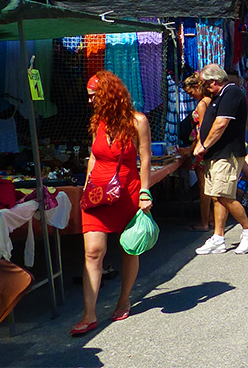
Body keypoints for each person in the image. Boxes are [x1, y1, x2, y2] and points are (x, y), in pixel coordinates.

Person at [70, 71, 154, 336]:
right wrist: (86, 188)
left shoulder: (138, 121)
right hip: (97, 194)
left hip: (127, 191)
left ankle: (124, 299)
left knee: (130, 247)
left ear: (108, 95)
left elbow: (145, 158)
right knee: (92, 251)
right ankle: (89, 314)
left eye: (94, 96)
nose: (90, 101)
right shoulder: (99, 121)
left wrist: (145, 192)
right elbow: (94, 157)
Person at [192, 64, 248, 255]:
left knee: (224, 195)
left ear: (214, 81)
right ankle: (218, 237)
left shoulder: (231, 93)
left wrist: (204, 145)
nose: (203, 87)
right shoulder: (219, 95)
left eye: (205, 83)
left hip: (226, 154)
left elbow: (221, 124)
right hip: (217, 154)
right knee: (217, 196)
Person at [184, 74, 213, 232]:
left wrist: (192, 149)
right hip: (207, 147)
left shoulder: (202, 104)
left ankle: (204, 222)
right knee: (210, 186)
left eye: (191, 93)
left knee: (204, 187)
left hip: (201, 149)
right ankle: (211, 218)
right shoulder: (210, 100)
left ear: (197, 87)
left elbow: (202, 130)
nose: (191, 96)